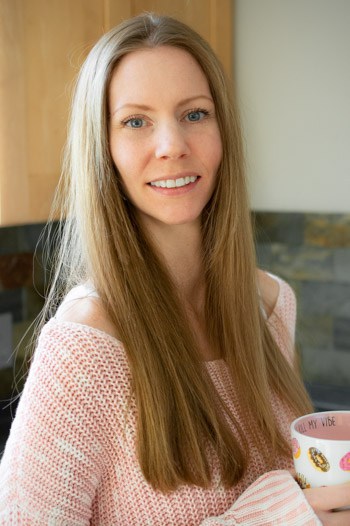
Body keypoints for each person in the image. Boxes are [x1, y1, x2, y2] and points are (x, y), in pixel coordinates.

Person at [0, 13, 349, 525]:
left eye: (195, 114)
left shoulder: (273, 307)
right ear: (105, 151)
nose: (172, 145)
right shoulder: (84, 348)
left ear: (222, 130)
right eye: (136, 121)